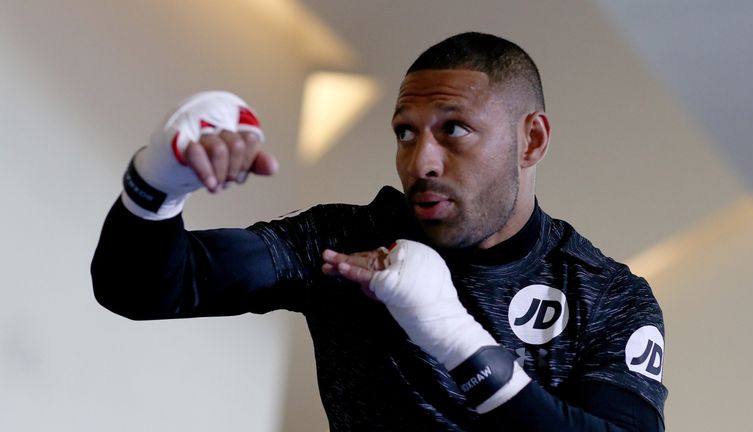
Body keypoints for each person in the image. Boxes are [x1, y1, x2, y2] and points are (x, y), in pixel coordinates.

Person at [92, 32, 667, 431]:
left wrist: (453, 336)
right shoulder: (345, 241)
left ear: (532, 140)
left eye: (454, 129)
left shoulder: (605, 294)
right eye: (405, 133)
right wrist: (157, 183)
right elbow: (144, 288)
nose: (422, 163)